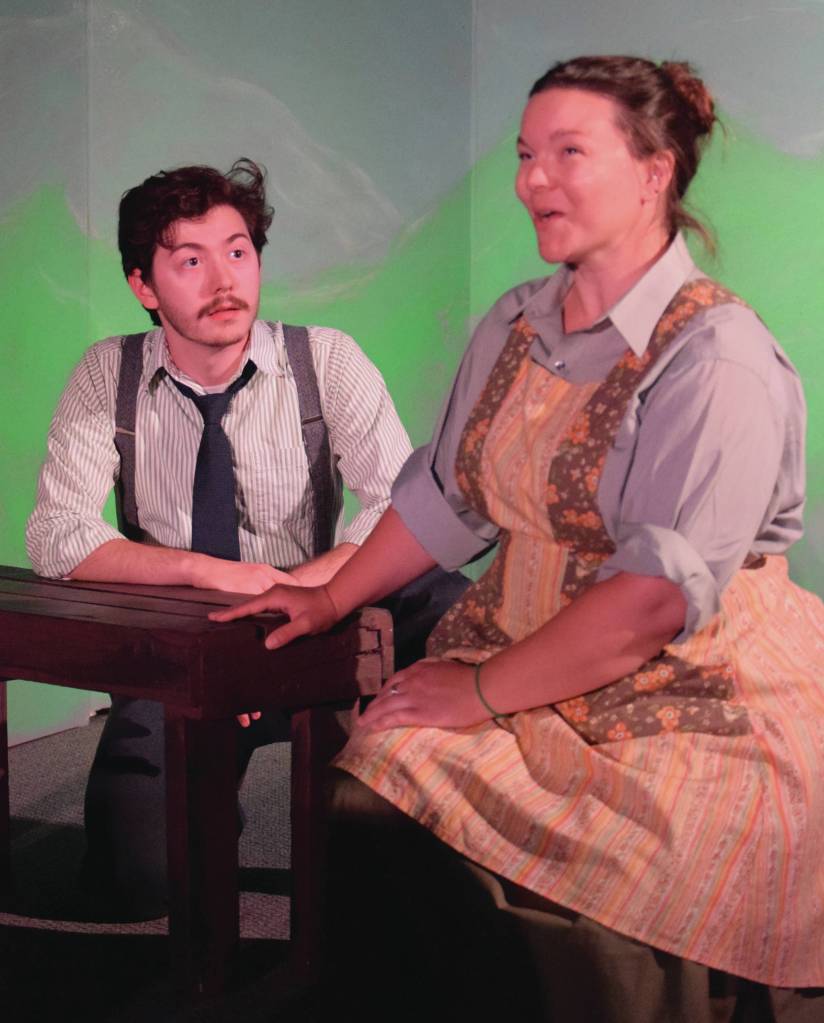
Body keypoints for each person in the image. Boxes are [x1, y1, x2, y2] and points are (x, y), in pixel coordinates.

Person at [213, 58, 824, 1021]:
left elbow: (654, 600)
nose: (530, 180)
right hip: (519, 630)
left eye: (567, 153)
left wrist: (481, 691)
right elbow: (449, 498)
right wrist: (330, 595)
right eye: (525, 155)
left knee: (601, 874)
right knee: (376, 788)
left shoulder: (718, 356)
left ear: (655, 170)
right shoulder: (515, 321)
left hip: (688, 676)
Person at [25, 158, 466, 919]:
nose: (222, 279)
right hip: (186, 641)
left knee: (447, 600)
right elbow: (57, 534)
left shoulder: (324, 359)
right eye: (189, 260)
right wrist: (214, 575)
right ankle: (200, 798)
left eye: (237, 251)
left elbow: (403, 506)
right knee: (137, 881)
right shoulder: (109, 375)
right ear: (143, 284)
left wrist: (310, 589)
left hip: (320, 617)